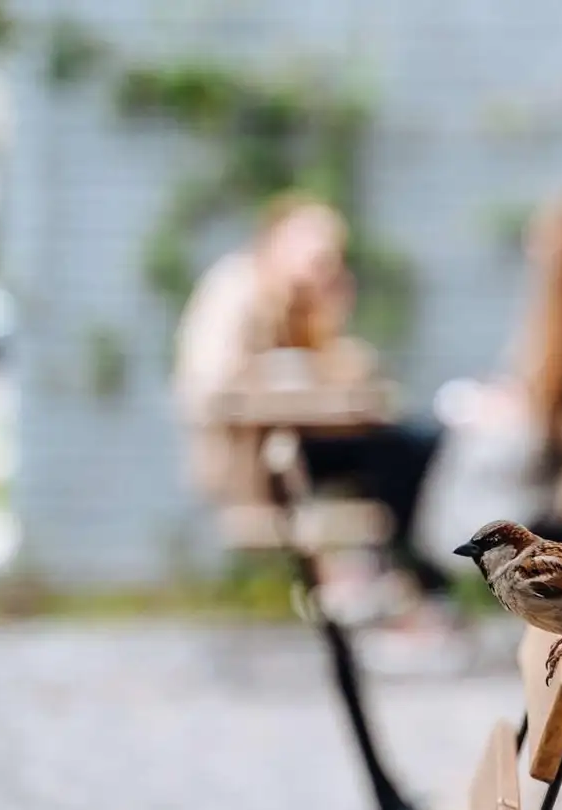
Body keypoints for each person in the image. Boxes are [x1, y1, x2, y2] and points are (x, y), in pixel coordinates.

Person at [374, 196, 562, 673]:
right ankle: (426, 603)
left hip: (546, 494)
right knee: (413, 446)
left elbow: (542, 419)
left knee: (404, 451)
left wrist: (495, 408)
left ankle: (428, 603)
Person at [173, 192, 447, 630]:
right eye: (318, 255)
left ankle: (403, 582)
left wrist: (331, 316)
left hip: (309, 442)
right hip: (256, 459)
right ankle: (417, 585)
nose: (327, 266)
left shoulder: (306, 299)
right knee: (402, 452)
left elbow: (346, 371)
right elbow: (213, 385)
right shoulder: (237, 291)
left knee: (416, 444)